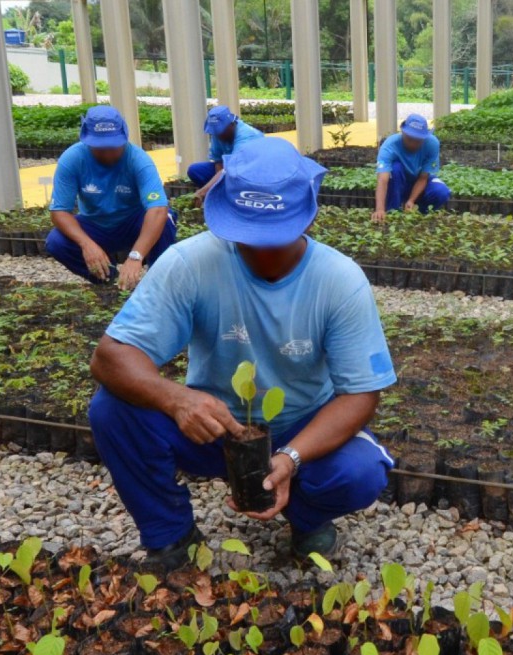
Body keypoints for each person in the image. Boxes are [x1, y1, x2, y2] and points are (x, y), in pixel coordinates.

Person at [88, 138, 397, 570]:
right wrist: (177, 399)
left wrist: (290, 457)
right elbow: (110, 356)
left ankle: (305, 517)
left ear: (307, 220)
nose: (263, 249)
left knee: (359, 472)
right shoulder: (190, 263)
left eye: (278, 236)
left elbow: (361, 394)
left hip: (299, 427)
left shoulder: (339, 281)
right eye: (249, 237)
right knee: (112, 409)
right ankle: (171, 536)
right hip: (217, 428)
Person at [45, 105, 177, 291]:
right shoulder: (72, 159)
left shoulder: (138, 160)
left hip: (133, 223)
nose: (107, 154)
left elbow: (157, 209)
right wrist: (87, 244)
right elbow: (59, 212)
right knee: (56, 241)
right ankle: (112, 282)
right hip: (95, 225)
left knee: (165, 221)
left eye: (113, 147)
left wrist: (136, 256)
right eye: (99, 148)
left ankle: (160, 287)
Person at [371, 113, 451, 223]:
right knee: (396, 168)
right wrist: (379, 209)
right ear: (403, 132)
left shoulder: (432, 144)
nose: (413, 144)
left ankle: (420, 215)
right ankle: (392, 212)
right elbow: (382, 179)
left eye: (418, 140)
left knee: (441, 192)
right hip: (398, 182)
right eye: (409, 139)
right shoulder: (390, 145)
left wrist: (411, 200)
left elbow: (423, 177)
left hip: (419, 182)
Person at [187, 105, 265, 205]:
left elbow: (232, 168)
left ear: (231, 124)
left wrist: (202, 192)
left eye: (220, 131)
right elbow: (218, 162)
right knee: (195, 170)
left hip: (252, 172)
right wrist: (217, 186)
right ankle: (220, 197)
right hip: (231, 170)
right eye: (215, 132)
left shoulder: (247, 136)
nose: (218, 135)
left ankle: (236, 199)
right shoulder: (218, 135)